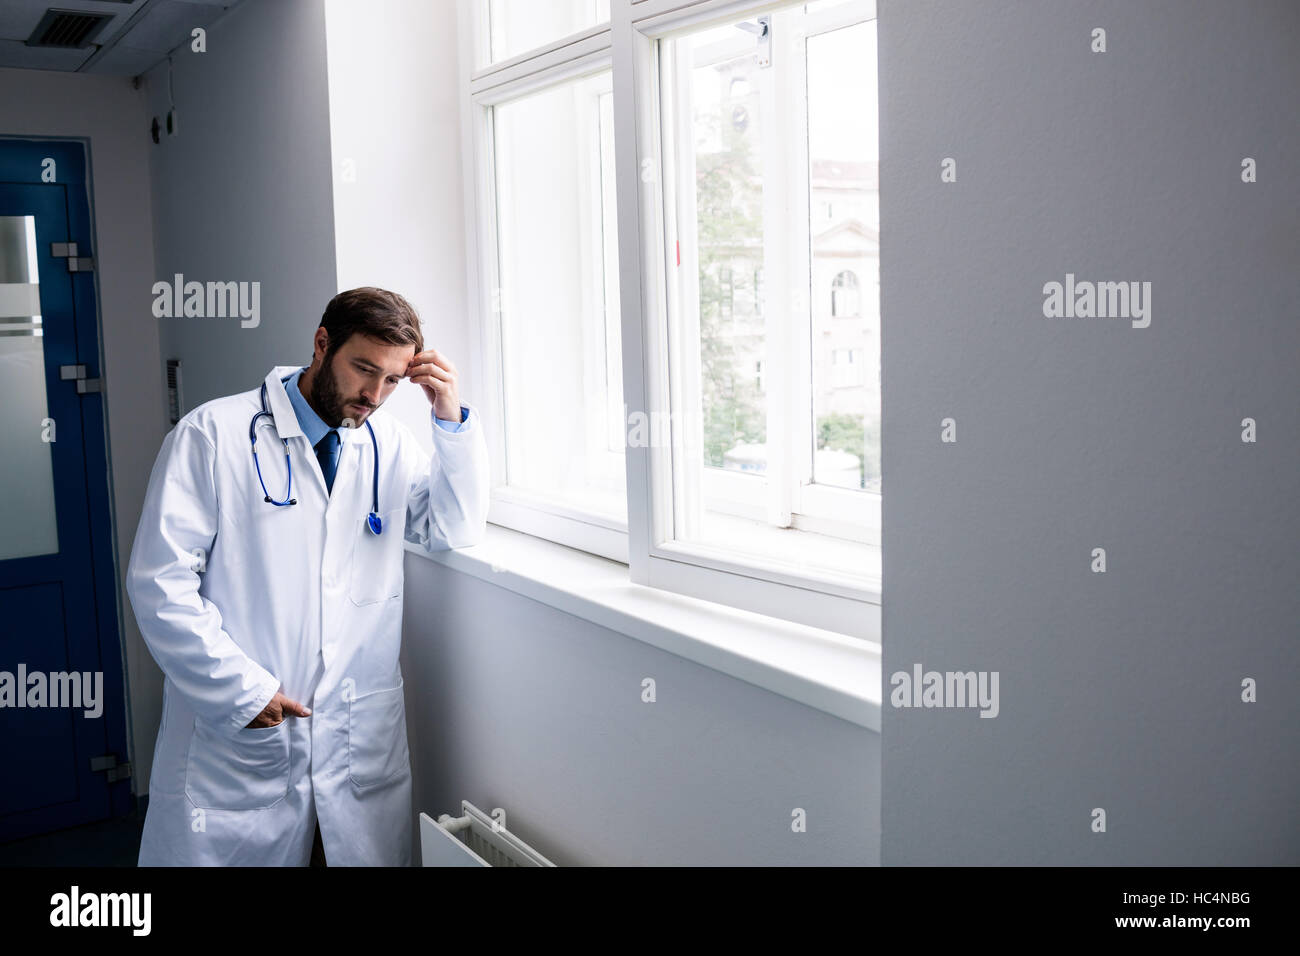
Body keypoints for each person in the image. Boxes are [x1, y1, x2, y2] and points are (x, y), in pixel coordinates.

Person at [125, 287, 489, 866]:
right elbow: (159, 585)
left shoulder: (388, 442)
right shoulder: (213, 436)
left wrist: (450, 419)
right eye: (363, 369)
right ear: (322, 345)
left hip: (354, 737)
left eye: (393, 380)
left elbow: (453, 525)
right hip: (247, 729)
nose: (374, 394)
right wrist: (242, 690)